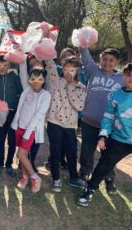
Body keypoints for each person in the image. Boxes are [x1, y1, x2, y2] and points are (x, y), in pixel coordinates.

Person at [77, 63, 132, 206]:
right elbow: (108, 117)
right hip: (120, 139)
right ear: (122, 76)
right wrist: (103, 136)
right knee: (103, 165)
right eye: (127, 74)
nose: (131, 78)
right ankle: (90, 189)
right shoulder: (116, 94)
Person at [78, 47, 123, 194]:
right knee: (87, 150)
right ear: (100, 60)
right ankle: (84, 173)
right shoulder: (93, 71)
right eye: (104, 59)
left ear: (117, 62)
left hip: (109, 125)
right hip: (89, 120)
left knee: (108, 154)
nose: (107, 63)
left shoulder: (122, 78)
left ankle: (109, 178)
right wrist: (83, 42)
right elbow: (85, 55)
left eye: (111, 60)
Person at [45, 56, 87, 192]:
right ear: (62, 68)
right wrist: (46, 38)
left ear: (78, 71)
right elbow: (49, 63)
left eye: (72, 70)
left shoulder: (80, 87)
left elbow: (80, 106)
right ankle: (56, 179)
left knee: (72, 152)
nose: (68, 72)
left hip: (70, 125)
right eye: (66, 69)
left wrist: (70, 88)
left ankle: (74, 177)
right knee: (55, 152)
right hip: (54, 122)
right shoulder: (55, 81)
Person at [11, 67, 51, 193]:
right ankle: (24, 177)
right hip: (20, 127)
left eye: (40, 79)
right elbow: (23, 72)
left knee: (20, 155)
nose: (36, 82)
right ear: (29, 80)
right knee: (24, 156)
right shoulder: (27, 90)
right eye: (33, 79)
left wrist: (28, 133)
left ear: (44, 80)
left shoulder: (46, 95)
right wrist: (22, 52)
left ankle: (34, 177)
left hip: (31, 130)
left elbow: (39, 116)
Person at [0, 55, 23, 177]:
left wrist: (18, 111)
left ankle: (9, 164)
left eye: (4, 65)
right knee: (0, 139)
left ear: (9, 65)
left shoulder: (14, 77)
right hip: (0, 113)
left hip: (12, 113)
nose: (1, 68)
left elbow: (21, 93)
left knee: (11, 141)